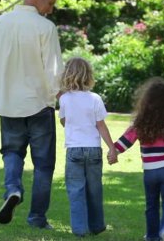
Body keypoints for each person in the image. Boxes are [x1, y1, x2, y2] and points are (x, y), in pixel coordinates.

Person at [0, 0, 63, 228]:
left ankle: (13, 188)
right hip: (39, 106)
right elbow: (54, 71)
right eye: (50, 2)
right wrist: (62, 102)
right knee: (44, 165)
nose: (51, 8)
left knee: (12, 152)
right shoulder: (45, 28)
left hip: (7, 105)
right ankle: (37, 217)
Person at [112, 77, 164, 241]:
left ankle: (152, 236)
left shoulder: (140, 122)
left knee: (151, 205)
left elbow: (126, 140)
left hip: (150, 172)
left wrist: (114, 151)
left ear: (145, 101)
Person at [58, 57, 118, 237]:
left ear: (67, 74)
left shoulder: (64, 99)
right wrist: (112, 147)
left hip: (74, 150)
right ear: (88, 75)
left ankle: (79, 229)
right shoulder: (95, 98)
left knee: (76, 190)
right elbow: (101, 125)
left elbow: (63, 121)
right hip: (93, 149)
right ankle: (97, 225)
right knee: (95, 189)